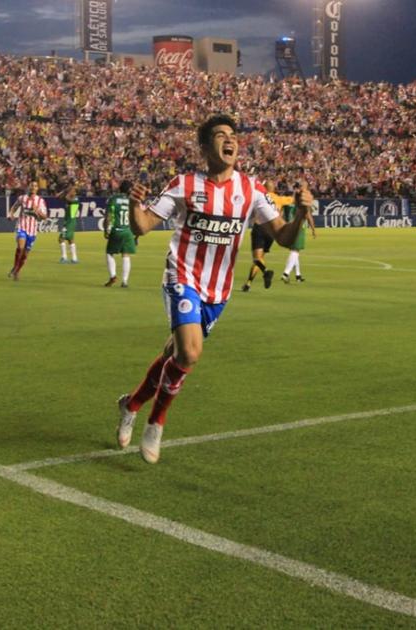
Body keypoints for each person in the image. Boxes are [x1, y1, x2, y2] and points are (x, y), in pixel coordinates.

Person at [115, 114, 314, 464]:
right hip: (182, 276)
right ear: (205, 147)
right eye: (220, 135)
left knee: (174, 355)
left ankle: (130, 404)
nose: (230, 139)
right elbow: (142, 226)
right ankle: (156, 422)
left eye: (233, 135)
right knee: (190, 353)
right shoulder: (184, 184)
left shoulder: (251, 190)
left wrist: (300, 213)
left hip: (218, 291)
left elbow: (284, 237)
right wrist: (134, 205)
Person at [241, 180, 290, 292]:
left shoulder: (259, 196)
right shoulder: (279, 199)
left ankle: (266, 271)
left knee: (256, 258)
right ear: (273, 188)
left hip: (260, 227)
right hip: (271, 231)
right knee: (261, 257)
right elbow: (292, 200)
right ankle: (248, 283)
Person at [7, 181, 48, 281]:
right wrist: (11, 214)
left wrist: (37, 210)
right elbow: (14, 207)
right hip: (22, 227)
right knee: (20, 247)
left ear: (37, 188)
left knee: (25, 255)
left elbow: (44, 217)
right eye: (31, 185)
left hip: (32, 231)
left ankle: (17, 271)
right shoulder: (22, 198)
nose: (33, 187)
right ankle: (15, 267)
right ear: (28, 187)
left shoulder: (40, 201)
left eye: (35, 186)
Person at [280, 187, 317, 283]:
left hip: (288, 228)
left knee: (295, 251)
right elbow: (309, 217)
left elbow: (280, 215)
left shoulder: (286, 205)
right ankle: (286, 273)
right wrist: (313, 230)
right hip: (299, 230)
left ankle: (298, 275)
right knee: (295, 251)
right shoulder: (302, 205)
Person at [103, 180, 136, 287]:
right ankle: (125, 281)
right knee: (126, 254)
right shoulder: (131, 200)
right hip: (128, 231)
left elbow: (108, 216)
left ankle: (113, 275)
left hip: (116, 230)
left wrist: (106, 230)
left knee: (109, 253)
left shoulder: (113, 199)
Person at [59, 187, 80, 264]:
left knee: (61, 239)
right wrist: (64, 190)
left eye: (72, 190)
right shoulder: (70, 199)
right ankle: (74, 258)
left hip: (70, 222)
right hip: (68, 221)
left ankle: (64, 257)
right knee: (71, 239)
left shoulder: (75, 199)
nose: (70, 191)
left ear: (75, 193)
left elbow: (67, 198)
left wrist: (66, 192)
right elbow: (58, 197)